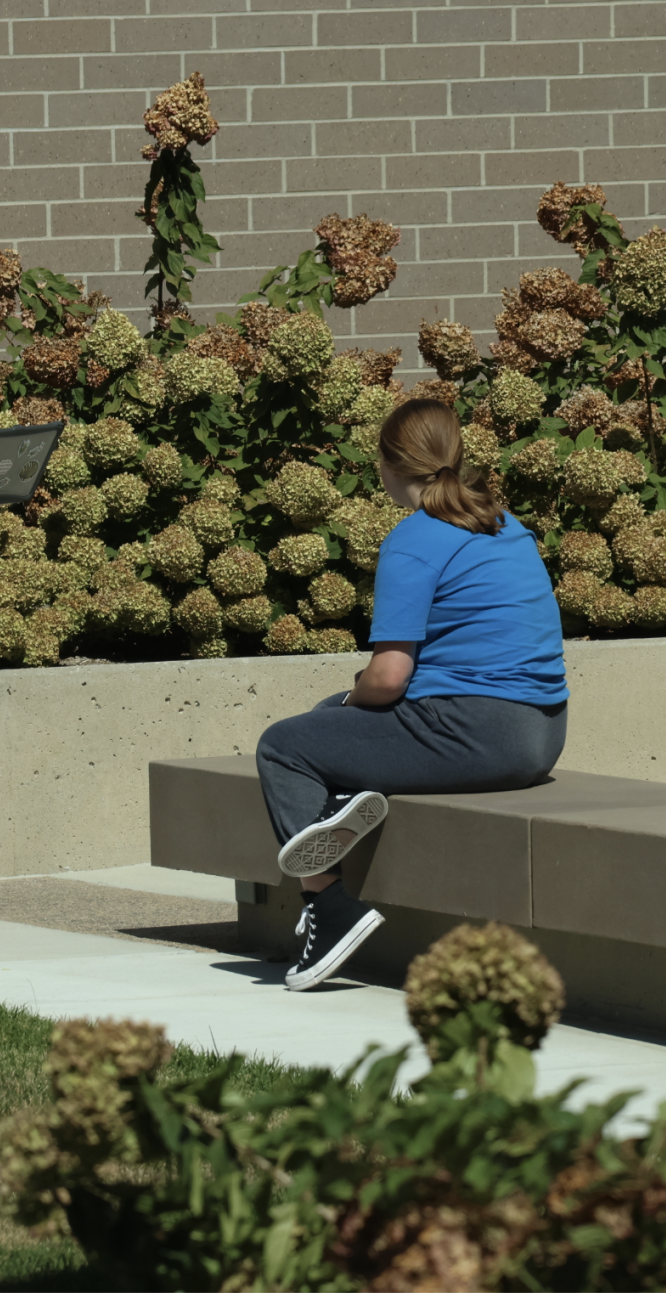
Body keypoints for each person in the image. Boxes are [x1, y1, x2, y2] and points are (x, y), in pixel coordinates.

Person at [254, 397, 570, 991]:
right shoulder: (503, 524)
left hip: (478, 732)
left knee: (285, 746)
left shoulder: (416, 539)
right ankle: (337, 810)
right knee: (329, 725)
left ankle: (328, 908)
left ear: (389, 465)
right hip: (543, 733)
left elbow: (388, 677)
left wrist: (352, 699)